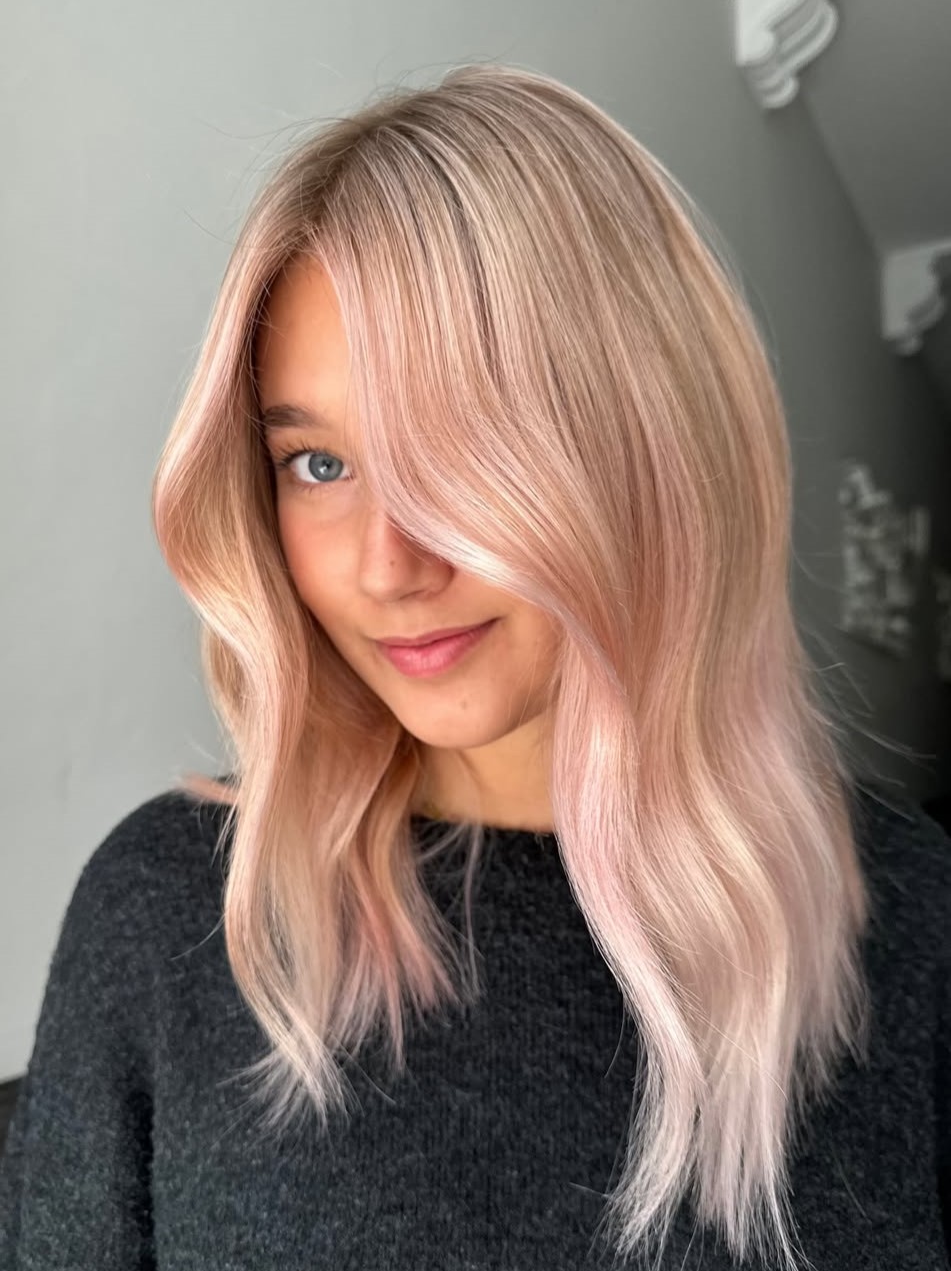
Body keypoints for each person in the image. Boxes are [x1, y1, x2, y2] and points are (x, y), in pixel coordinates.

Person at [1, 61, 949, 1271]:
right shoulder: (171, 914)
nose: (387, 566)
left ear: (655, 444)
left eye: (461, 452)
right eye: (319, 465)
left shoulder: (909, 915)